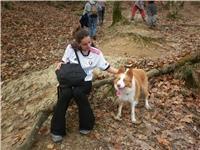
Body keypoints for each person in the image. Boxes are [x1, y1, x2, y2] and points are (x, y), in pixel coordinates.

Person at [50, 28, 118, 142]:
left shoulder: (96, 53)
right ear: (78, 43)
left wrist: (121, 72)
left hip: (85, 81)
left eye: (89, 42)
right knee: (64, 95)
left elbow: (107, 67)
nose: (88, 45)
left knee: (78, 93)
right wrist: (60, 64)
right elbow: (64, 61)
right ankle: (57, 130)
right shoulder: (70, 48)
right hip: (70, 79)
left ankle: (86, 125)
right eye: (84, 44)